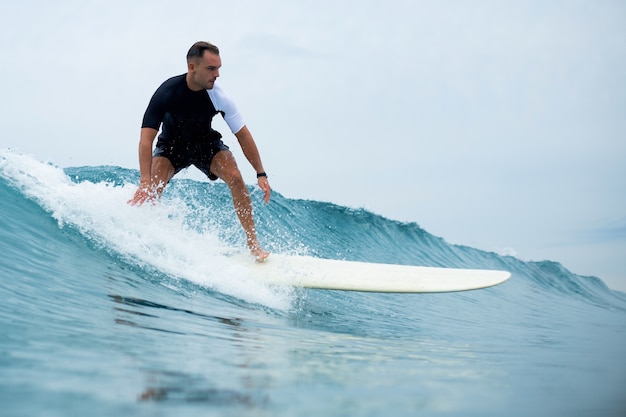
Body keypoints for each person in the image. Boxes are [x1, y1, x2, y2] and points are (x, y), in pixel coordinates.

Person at [128, 41, 271, 260]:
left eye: (219, 68)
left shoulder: (219, 96)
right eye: (211, 69)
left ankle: (253, 243)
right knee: (152, 188)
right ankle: (142, 239)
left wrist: (260, 172)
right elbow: (146, 140)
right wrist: (145, 181)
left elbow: (243, 135)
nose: (217, 75)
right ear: (192, 67)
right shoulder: (167, 92)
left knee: (234, 176)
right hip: (171, 147)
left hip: (205, 143)